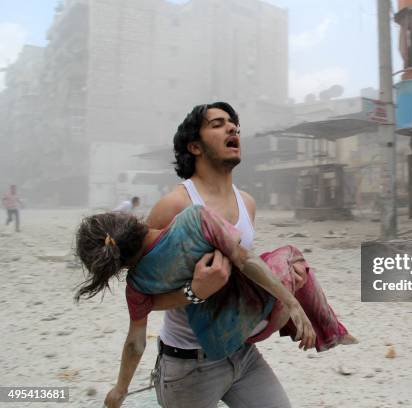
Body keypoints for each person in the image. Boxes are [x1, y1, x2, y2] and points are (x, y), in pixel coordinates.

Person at [102, 102, 309, 407]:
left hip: (241, 351)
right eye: (218, 123)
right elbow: (142, 295)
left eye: (234, 125)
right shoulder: (173, 206)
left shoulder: (247, 203)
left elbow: (242, 266)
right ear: (195, 146)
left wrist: (285, 281)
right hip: (188, 365)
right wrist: (121, 388)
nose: (232, 129)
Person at [74, 204, 356, 406]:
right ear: (126, 220)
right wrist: (292, 304)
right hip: (202, 363)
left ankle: (312, 328)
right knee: (289, 257)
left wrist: (120, 390)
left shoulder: (136, 286)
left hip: (229, 354)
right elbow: (246, 260)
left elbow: (135, 343)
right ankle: (329, 332)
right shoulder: (194, 219)